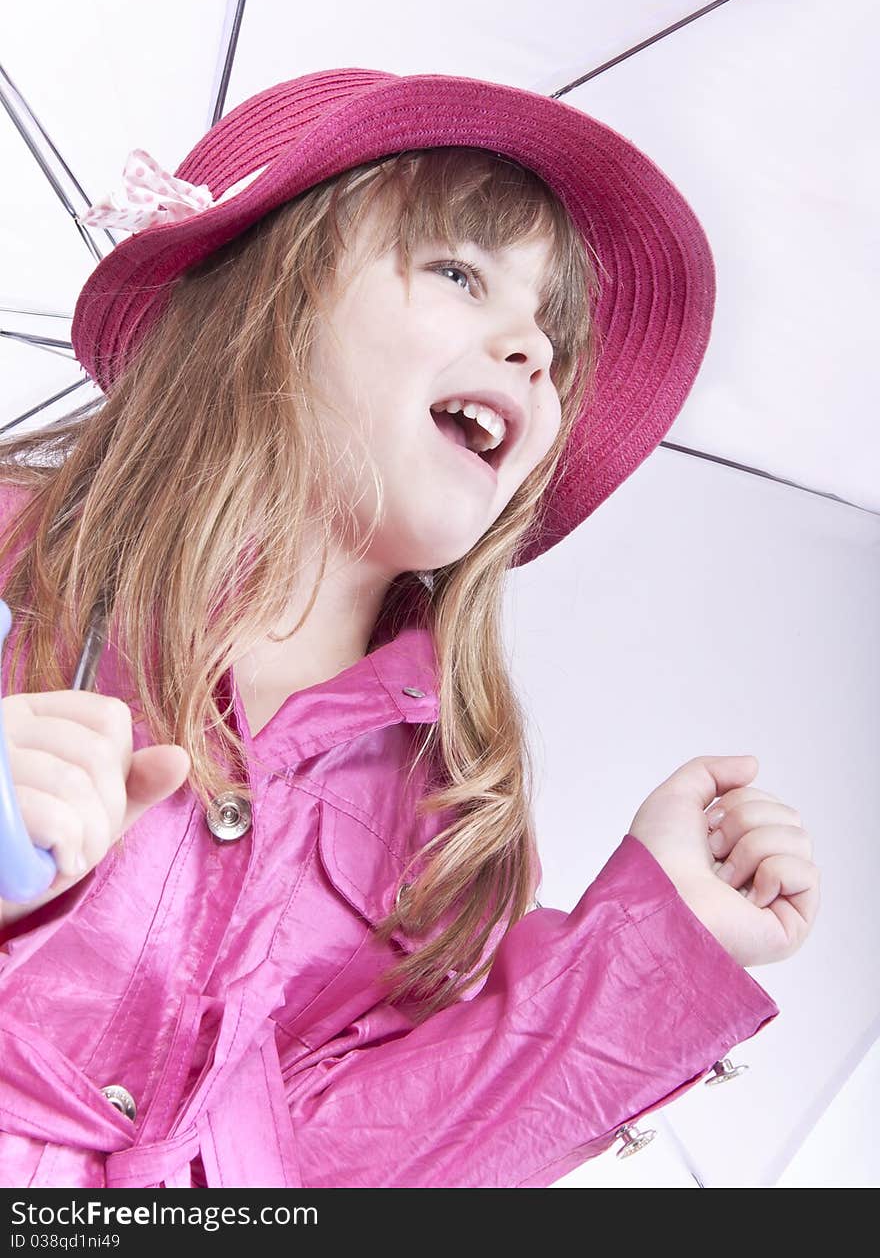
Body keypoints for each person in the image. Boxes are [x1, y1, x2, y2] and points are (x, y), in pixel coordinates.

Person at [0, 67, 818, 1188]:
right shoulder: (22, 577)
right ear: (269, 300)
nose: (532, 347)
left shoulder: (452, 807)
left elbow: (341, 1174)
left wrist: (655, 939)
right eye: (457, 271)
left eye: (552, 334)